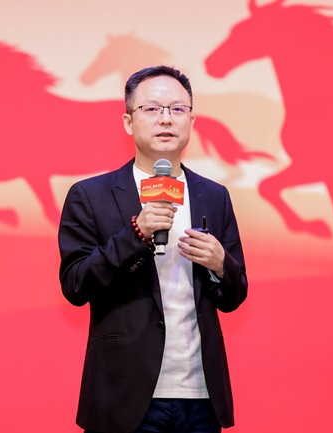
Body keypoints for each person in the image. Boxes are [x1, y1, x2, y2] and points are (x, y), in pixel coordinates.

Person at [58, 65, 248, 433]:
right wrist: (136, 235)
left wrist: (220, 264)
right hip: (123, 393)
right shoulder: (90, 195)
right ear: (128, 122)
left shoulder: (214, 196)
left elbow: (234, 295)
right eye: (151, 109)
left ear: (191, 121)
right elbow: (75, 285)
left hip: (201, 396)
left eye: (177, 109)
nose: (166, 119)